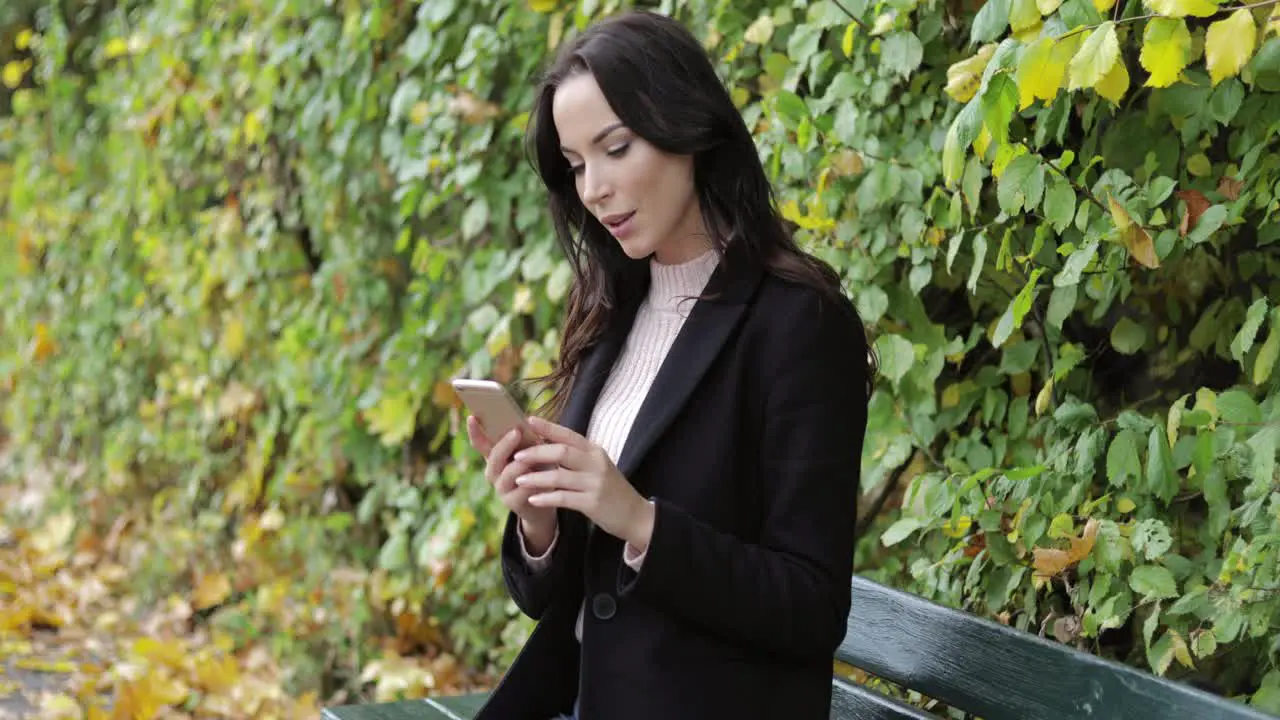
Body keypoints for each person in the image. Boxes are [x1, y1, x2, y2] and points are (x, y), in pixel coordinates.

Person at [463, 9, 872, 720]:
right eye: (577, 165)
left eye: (615, 148)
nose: (593, 188)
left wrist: (639, 520)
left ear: (687, 127)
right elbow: (550, 600)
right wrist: (539, 523)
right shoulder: (613, 310)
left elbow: (810, 607)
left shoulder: (799, 325)